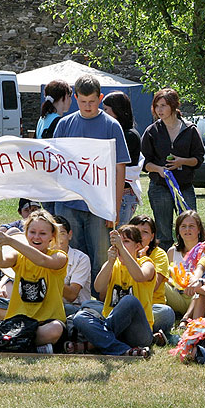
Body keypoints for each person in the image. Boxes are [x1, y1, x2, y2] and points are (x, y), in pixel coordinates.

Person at [53, 74, 130, 291]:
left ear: (100, 98)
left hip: (99, 205)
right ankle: (75, 299)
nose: (88, 106)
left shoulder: (111, 126)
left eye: (93, 101)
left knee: (101, 255)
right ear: (75, 97)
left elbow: (119, 168)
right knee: (72, 254)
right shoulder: (64, 124)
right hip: (69, 203)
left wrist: (114, 208)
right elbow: (55, 165)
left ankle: (100, 300)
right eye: (83, 101)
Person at [0, 210, 68, 354]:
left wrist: (10, 240)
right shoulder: (18, 256)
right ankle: (28, 346)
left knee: (55, 329)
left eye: (42, 233)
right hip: (15, 324)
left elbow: (42, 260)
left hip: (44, 323)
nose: (36, 237)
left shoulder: (60, 256)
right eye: (32, 232)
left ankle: (4, 342)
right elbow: (0, 262)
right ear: (26, 233)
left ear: (52, 236)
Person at [70, 226, 157, 357]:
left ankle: (98, 340)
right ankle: (122, 350)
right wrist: (110, 262)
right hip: (114, 328)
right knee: (80, 317)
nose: (119, 245)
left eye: (126, 241)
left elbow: (139, 276)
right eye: (118, 241)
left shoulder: (146, 263)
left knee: (129, 301)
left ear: (138, 246)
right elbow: (98, 287)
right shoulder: (112, 264)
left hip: (139, 333)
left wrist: (121, 248)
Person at [141, 88, 205, 250]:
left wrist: (182, 162)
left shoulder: (190, 129)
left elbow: (198, 159)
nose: (159, 110)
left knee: (191, 227)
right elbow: (144, 163)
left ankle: (192, 260)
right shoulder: (152, 131)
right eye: (156, 106)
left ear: (174, 106)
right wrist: (159, 169)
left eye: (163, 105)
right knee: (163, 232)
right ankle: (166, 267)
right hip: (160, 187)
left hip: (184, 187)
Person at [128, 214, 176, 342]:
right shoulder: (121, 254)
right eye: (136, 231)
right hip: (123, 307)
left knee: (166, 313)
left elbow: (152, 287)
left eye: (145, 232)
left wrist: (139, 260)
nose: (140, 236)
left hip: (151, 307)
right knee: (91, 305)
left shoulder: (159, 254)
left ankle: (132, 331)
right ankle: (146, 335)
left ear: (152, 236)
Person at [103, 91, 143, 226]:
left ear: (117, 110)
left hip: (124, 195)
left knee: (118, 237)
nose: (102, 113)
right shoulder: (115, 132)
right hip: (114, 194)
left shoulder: (129, 135)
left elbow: (119, 166)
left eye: (106, 109)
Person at [37, 79, 72, 215]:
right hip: (54, 181)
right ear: (64, 97)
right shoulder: (58, 121)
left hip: (43, 178)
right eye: (69, 96)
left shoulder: (43, 118)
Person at [164, 210, 205, 317]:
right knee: (158, 281)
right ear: (178, 230)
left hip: (198, 297)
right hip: (177, 295)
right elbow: (165, 277)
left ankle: (189, 315)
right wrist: (176, 283)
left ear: (198, 230)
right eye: (183, 226)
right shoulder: (172, 251)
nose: (187, 229)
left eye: (191, 226)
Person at [53, 215, 91, 316]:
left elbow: (72, 295)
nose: (57, 239)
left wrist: (48, 272)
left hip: (75, 309)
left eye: (61, 233)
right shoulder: (40, 256)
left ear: (70, 235)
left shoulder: (81, 259)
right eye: (53, 235)